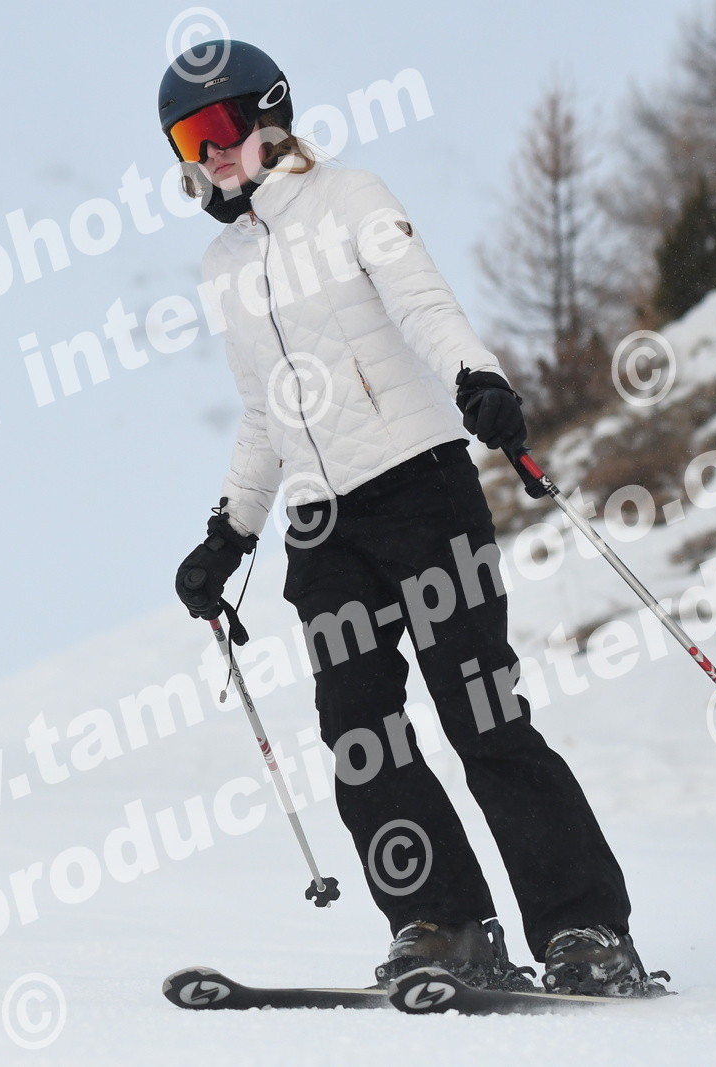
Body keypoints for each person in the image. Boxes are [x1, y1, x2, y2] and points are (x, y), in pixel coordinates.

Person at [160, 40, 664, 996]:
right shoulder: (222, 267)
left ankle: (586, 927)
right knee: (363, 738)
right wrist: (229, 532)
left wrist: (479, 378)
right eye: (190, 139)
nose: (211, 152)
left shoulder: (351, 198)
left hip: (421, 488)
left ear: (269, 116)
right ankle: (444, 924)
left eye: (221, 126)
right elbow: (264, 414)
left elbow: (424, 304)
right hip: (320, 528)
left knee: (483, 713)